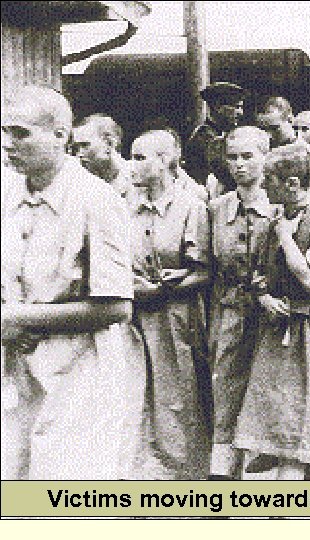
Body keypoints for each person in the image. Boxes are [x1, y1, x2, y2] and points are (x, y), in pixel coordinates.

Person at [1, 85, 139, 479]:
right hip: (15, 369)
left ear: (60, 135)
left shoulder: (97, 199)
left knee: (65, 490)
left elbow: (116, 305)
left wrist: (19, 318)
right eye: (4, 132)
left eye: (21, 133)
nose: (8, 144)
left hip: (79, 373)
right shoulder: (6, 192)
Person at [233, 143, 310, 480]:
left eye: (269, 180)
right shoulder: (276, 219)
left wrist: (286, 238)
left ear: (292, 184)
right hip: (279, 333)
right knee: (286, 424)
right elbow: (256, 274)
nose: (263, 187)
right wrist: (264, 298)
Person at [127, 129, 212, 479]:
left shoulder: (192, 207)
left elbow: (205, 271)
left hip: (177, 320)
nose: (131, 166)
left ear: (164, 162)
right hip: (133, 319)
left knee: (179, 400)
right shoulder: (124, 206)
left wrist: (164, 290)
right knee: (137, 398)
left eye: (139, 157)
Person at [206, 127, 276, 480]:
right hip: (230, 310)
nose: (239, 165)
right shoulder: (216, 209)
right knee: (227, 389)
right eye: (232, 157)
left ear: (266, 156)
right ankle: (225, 476)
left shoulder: (281, 207)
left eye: (247, 156)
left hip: (274, 316)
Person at [184, 81, 247, 187]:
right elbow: (228, 178)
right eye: (236, 107)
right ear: (218, 107)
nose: (241, 113)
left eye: (241, 107)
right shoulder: (205, 139)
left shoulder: (221, 134)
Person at [72, 114, 134, 197]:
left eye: (85, 145)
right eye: (76, 148)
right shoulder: (79, 183)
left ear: (109, 144)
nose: (79, 154)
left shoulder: (138, 179)